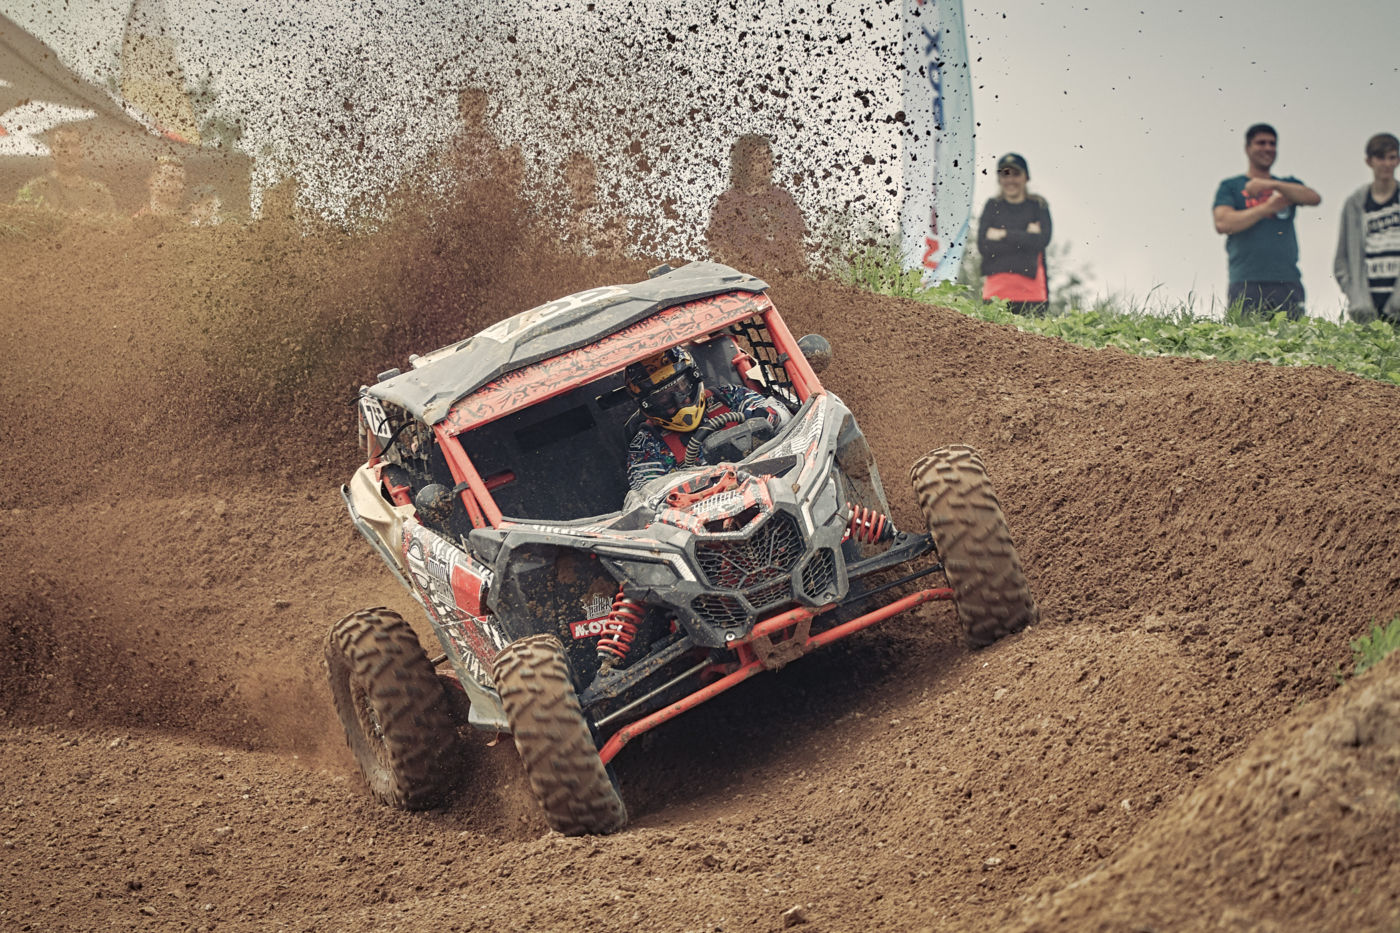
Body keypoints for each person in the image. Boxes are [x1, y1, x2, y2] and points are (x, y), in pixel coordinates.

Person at [624, 348, 785, 491]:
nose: (681, 401)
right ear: (647, 404)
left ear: (693, 378)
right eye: (663, 398)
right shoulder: (645, 448)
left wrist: (762, 417)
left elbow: (781, 413)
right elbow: (649, 496)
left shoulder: (728, 396)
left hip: (770, 479)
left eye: (681, 387)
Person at [1212, 123, 1322, 320]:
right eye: (1261, 143)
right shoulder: (1231, 186)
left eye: (1272, 143)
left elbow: (1313, 198)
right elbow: (1223, 223)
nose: (1268, 148)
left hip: (1287, 280)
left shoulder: (1287, 185)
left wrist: (1271, 184)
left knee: (1293, 337)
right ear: (1247, 148)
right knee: (1243, 337)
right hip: (1246, 281)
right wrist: (1267, 208)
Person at [706, 134, 808, 275]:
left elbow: (798, 245)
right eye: (760, 160)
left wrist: (799, 275)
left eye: (769, 158)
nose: (767, 165)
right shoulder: (727, 204)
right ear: (743, 165)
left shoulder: (783, 200)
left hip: (785, 280)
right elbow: (719, 251)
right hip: (745, 282)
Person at [1334, 132, 1400, 325]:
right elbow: (1341, 260)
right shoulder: (1354, 204)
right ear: (1369, 161)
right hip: (1366, 311)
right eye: (1380, 158)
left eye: (1392, 158)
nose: (1386, 164)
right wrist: (1356, 297)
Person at [977, 152, 1052, 316]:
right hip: (995, 292)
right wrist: (1026, 237)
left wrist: (1002, 235)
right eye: (1005, 174)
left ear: (1026, 177)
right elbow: (983, 246)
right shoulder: (992, 206)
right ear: (999, 179)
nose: (1010, 180)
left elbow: (1042, 240)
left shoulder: (1038, 205)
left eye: (1016, 174)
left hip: (1032, 294)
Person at [13, 127, 118, 217]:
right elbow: (18, 224)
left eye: (74, 145)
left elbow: (112, 229)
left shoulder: (99, 193)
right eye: (62, 145)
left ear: (82, 151)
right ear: (53, 151)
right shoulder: (36, 189)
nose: (69, 152)